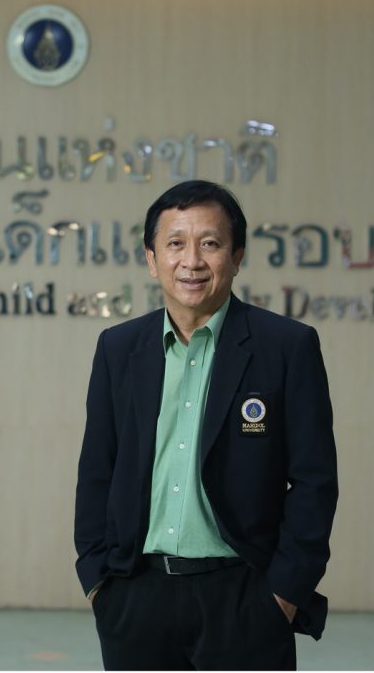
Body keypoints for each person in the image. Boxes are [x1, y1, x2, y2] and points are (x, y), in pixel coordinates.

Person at [74, 180, 338, 670]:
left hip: (246, 597)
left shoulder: (287, 347)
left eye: (210, 243)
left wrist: (283, 594)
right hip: (135, 596)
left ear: (236, 257)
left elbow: (314, 481)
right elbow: (97, 471)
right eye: (175, 243)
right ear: (151, 258)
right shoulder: (118, 348)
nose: (191, 261)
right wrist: (98, 581)